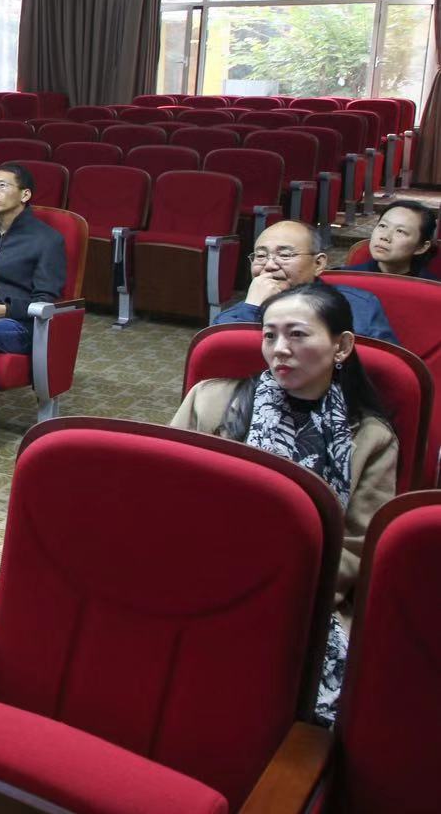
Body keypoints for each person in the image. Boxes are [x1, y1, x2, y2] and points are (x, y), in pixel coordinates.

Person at [171, 282, 396, 724]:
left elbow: (356, 545)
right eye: (269, 335)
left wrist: (280, 591)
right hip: (201, 572)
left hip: (305, 596)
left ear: (341, 346)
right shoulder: (211, 400)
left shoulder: (371, 437)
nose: (279, 350)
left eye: (297, 335)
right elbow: (170, 498)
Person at [0, 163, 66, 471]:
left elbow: (46, 300)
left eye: (3, 186)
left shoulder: (47, 239)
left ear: (25, 195)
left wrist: (4, 310)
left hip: (20, 324)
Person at [215, 220, 397, 341]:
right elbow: (231, 360)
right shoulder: (233, 317)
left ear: (318, 263)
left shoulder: (359, 306)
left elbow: (386, 372)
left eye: (285, 255)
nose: (269, 265)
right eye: (261, 256)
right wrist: (252, 309)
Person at [343, 201, 438, 280]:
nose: (385, 237)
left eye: (400, 231)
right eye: (383, 226)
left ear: (421, 247)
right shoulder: (345, 279)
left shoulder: (433, 289)